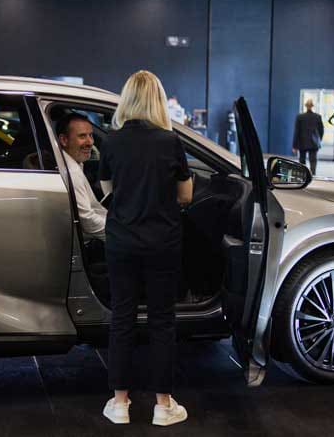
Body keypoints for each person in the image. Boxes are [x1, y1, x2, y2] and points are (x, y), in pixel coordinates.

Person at [99, 70, 193, 427]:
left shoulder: (111, 141)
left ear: (127, 99)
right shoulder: (170, 141)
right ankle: (163, 406)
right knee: (162, 321)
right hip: (162, 243)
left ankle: (120, 403)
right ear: (158, 101)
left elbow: (107, 189)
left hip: (122, 242)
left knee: (122, 318)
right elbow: (185, 195)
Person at [56, 113, 107, 241]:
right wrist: (123, 235)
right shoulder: (71, 171)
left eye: (91, 135)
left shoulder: (74, 164)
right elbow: (88, 222)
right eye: (82, 136)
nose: (90, 142)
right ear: (64, 140)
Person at [292, 98, 323, 175]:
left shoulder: (300, 117)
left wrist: (294, 146)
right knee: (313, 160)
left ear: (306, 106)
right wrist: (319, 139)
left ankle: (303, 175)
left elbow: (297, 132)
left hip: (302, 142)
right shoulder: (317, 116)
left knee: (302, 160)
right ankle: (313, 175)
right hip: (314, 142)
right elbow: (321, 130)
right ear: (312, 106)